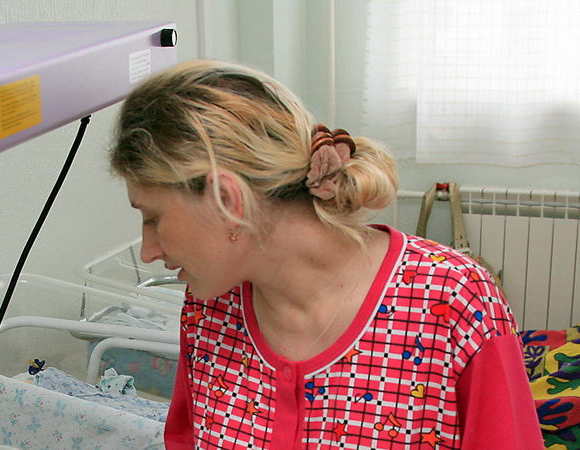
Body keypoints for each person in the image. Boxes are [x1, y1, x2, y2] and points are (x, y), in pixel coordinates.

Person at [109, 60, 542, 449]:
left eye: (153, 218)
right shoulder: (208, 310)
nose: (148, 251)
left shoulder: (455, 303)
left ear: (228, 200)